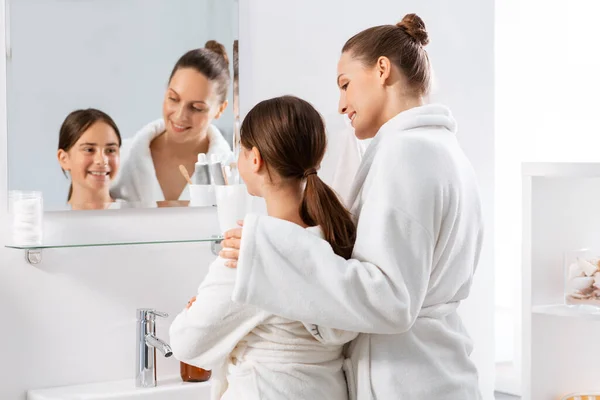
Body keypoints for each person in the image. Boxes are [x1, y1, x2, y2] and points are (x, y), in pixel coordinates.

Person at [219, 13, 484, 399]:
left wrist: (272, 249)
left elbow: (390, 298)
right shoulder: (443, 150)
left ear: (382, 70)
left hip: (410, 381)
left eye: (345, 85)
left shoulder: (406, 154)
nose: (342, 105)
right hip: (435, 372)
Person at [169, 96, 358, 400]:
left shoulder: (251, 252)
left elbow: (187, 343)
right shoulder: (332, 238)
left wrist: (193, 312)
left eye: (241, 151)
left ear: (255, 159)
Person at [111, 40, 233, 206]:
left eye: (197, 108)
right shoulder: (119, 159)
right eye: (173, 98)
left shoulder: (234, 173)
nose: (180, 115)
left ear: (220, 109)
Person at [57, 108, 123, 210]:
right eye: (89, 150)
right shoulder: (44, 217)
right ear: (64, 159)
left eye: (110, 150)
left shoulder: (140, 215)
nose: (102, 160)